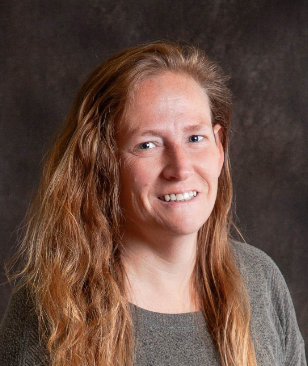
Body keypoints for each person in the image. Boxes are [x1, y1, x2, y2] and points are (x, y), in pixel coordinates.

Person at [0, 41, 306, 366]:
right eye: (147, 144)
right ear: (102, 165)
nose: (181, 168)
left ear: (220, 147)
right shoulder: (53, 310)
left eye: (195, 138)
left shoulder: (259, 281)